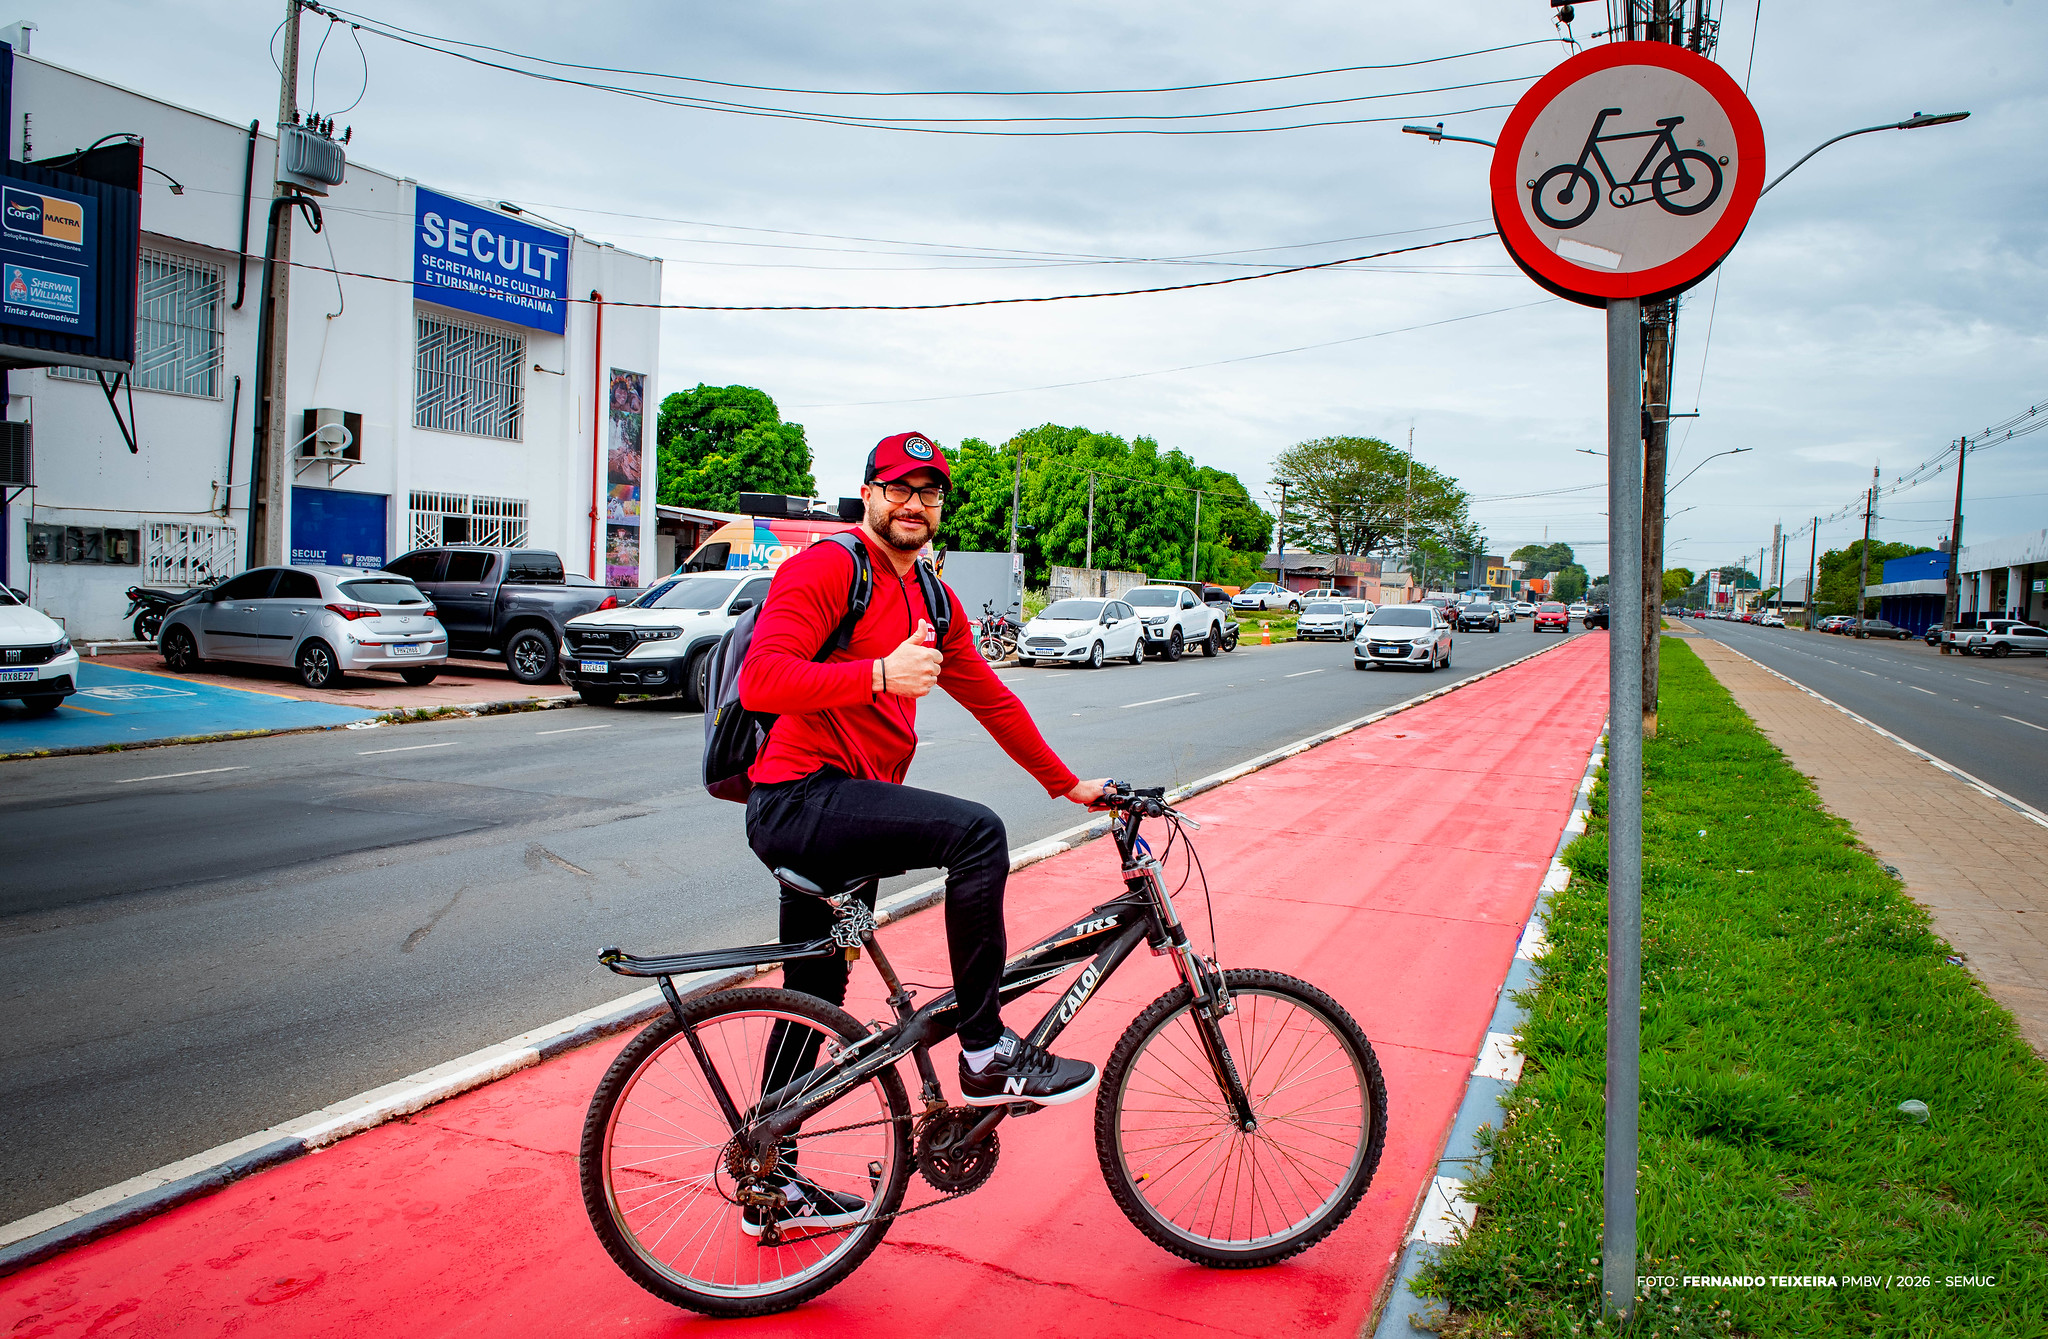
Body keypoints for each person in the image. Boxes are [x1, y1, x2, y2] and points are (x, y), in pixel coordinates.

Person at [734, 431, 1108, 1232]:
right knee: (976, 836)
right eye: (899, 488)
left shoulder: (933, 598)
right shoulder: (831, 567)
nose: (914, 504)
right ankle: (986, 1049)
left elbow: (992, 698)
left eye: (929, 493)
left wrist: (1068, 784)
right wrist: (877, 674)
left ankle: (771, 1179)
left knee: (815, 997)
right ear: (867, 493)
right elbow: (763, 678)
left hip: (843, 826)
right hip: (802, 803)